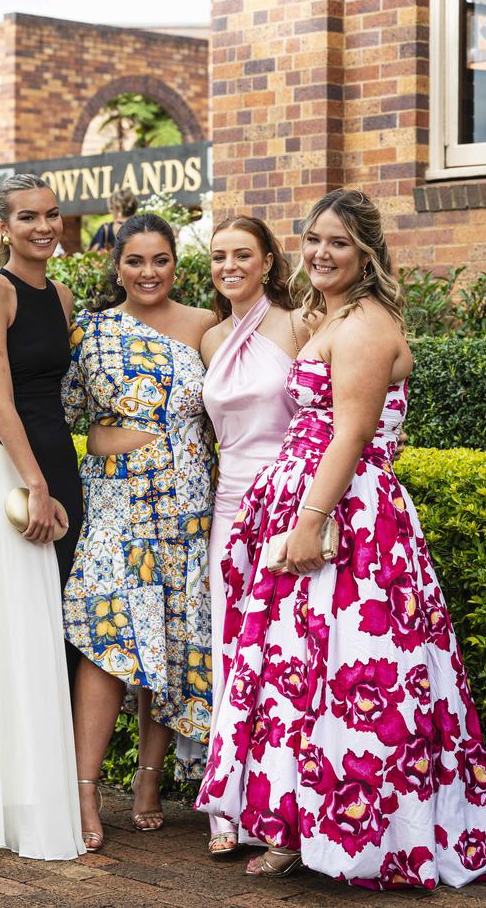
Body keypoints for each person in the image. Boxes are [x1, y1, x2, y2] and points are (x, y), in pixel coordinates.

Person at [196, 190, 486, 888]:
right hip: (313, 507)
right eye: (312, 240)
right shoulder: (331, 316)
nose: (320, 253)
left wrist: (310, 520)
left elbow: (352, 434)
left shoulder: (368, 324)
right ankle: (301, 827)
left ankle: (368, 841)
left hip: (350, 521)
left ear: (367, 251)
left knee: (352, 676)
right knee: (299, 677)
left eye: (337, 242)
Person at [62, 213, 216, 851]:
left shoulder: (207, 326)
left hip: (189, 507)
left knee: (171, 639)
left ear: (177, 263)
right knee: (108, 638)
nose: (149, 272)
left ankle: (149, 780)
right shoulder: (90, 333)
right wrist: (103, 436)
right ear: (116, 266)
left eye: (161, 260)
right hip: (117, 506)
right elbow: (62, 411)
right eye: (135, 261)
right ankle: (83, 788)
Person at [0, 174, 85, 860]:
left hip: (59, 461)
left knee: (54, 628)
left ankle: (45, 785)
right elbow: (2, 402)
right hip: (10, 468)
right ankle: (21, 801)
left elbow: (58, 391)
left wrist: (60, 477)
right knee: (20, 627)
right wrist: (35, 486)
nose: (43, 226)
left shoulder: (58, 295)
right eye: (28, 216)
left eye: (52, 214)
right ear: (4, 227)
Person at [201, 216, 309, 854]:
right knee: (229, 647)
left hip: (288, 501)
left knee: (282, 653)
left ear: (269, 261)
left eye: (243, 254)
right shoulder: (211, 339)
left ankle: (282, 810)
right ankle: (228, 812)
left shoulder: (298, 326)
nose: (230, 266)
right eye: (219, 257)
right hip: (228, 505)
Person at [89, 186, 139, 252]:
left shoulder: (106, 229)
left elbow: (91, 254)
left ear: (116, 207)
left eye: (112, 208)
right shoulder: (143, 227)